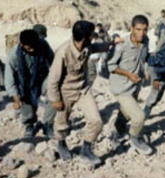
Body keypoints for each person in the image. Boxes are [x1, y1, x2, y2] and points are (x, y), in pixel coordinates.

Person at [47, 20, 120, 165]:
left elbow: (97, 47)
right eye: (92, 35)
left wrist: (112, 43)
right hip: (66, 91)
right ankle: (61, 144)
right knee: (61, 123)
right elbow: (53, 79)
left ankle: (86, 150)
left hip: (83, 89)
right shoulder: (63, 52)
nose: (93, 37)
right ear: (85, 38)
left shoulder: (87, 47)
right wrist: (55, 99)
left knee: (96, 121)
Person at [108, 15, 153, 155]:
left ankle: (116, 133)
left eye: (144, 30)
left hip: (135, 86)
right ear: (131, 28)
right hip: (121, 87)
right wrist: (128, 74)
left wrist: (148, 66)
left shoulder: (145, 41)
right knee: (139, 117)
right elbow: (111, 66)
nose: (141, 33)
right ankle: (135, 138)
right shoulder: (122, 45)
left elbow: (144, 56)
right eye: (138, 29)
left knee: (126, 113)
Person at [5, 30, 55, 139]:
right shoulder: (13, 55)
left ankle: (48, 123)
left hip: (41, 78)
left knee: (55, 90)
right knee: (24, 97)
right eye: (29, 48)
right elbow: (9, 79)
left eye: (34, 47)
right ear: (21, 44)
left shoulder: (43, 45)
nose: (32, 50)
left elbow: (54, 61)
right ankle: (29, 124)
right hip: (24, 83)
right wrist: (15, 98)